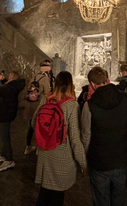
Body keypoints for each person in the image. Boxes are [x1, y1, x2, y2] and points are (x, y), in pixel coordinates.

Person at [81, 66, 127, 206]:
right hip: (121, 157)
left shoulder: (89, 106)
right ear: (107, 80)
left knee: (101, 200)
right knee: (119, 197)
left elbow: (86, 137)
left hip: (99, 161)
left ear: (92, 84)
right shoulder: (125, 99)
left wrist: (86, 159)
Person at [31, 71, 87, 206]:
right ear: (70, 85)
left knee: (44, 192)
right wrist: (83, 162)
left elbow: (34, 122)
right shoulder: (72, 105)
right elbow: (75, 139)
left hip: (45, 152)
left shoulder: (46, 98)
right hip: (62, 156)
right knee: (57, 195)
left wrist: (45, 134)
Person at [0, 71, 26, 172]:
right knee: (3, 134)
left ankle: (9, 159)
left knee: (4, 135)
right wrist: (4, 80)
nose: (8, 77)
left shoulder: (10, 87)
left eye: (10, 76)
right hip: (7, 112)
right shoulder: (14, 85)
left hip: (6, 113)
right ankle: (3, 154)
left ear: (13, 77)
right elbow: (8, 86)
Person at [22, 61, 51, 155]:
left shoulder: (34, 76)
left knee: (30, 126)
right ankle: (39, 147)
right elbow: (47, 93)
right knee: (39, 126)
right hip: (38, 105)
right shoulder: (45, 78)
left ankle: (28, 146)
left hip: (30, 104)